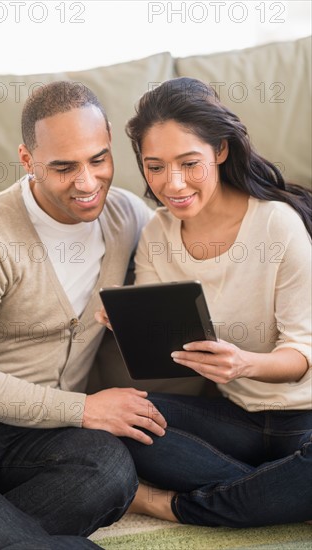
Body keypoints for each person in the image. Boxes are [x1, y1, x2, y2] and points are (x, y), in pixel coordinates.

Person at [0, 80, 167, 550]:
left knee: (109, 469)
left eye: (98, 159)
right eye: (63, 167)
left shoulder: (126, 215)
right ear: (27, 161)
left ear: (110, 139)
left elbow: (188, 258)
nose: (87, 183)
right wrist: (85, 408)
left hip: (38, 440)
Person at [98, 77, 312, 527]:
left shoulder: (276, 224)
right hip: (240, 419)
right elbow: (167, 351)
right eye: (154, 167)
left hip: (304, 417)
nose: (172, 184)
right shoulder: (157, 231)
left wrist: (245, 363)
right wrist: (132, 325)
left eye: (188, 163)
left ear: (220, 151)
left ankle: (169, 505)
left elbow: (304, 353)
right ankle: (277, 492)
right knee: (118, 421)